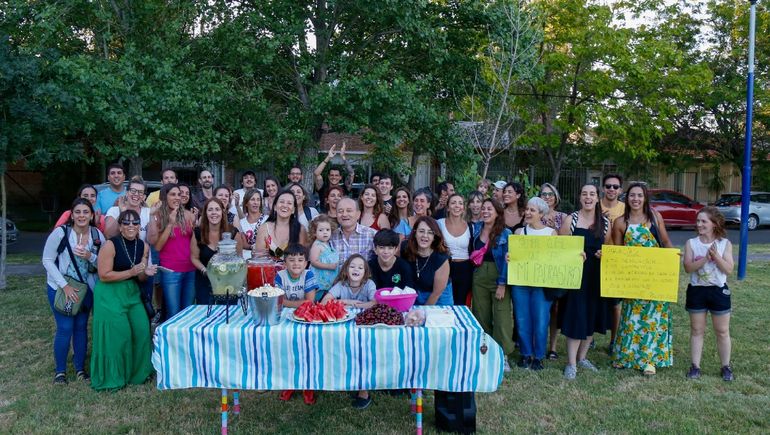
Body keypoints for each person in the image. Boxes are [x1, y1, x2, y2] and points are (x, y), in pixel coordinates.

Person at [611, 182, 674, 376]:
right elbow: (618, 252)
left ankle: (649, 360)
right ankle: (625, 357)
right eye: (632, 195)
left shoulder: (655, 217)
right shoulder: (620, 222)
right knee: (631, 317)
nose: (635, 199)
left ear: (645, 198)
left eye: (639, 195)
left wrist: (672, 259)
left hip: (655, 276)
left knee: (653, 318)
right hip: (634, 277)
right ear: (627, 198)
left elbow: (665, 241)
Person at [90, 209, 156, 390]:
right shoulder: (110, 245)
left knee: (142, 330)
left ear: (139, 226)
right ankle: (114, 377)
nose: (131, 226)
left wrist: (145, 272)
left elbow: (140, 277)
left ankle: (139, 374)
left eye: (135, 222)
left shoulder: (143, 246)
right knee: (119, 335)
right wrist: (131, 272)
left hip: (131, 292)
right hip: (109, 293)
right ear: (120, 227)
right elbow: (104, 275)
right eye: (126, 223)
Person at [42, 198, 105, 385]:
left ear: (91, 215)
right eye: (77, 212)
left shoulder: (97, 235)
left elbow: (104, 263)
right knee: (65, 328)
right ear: (72, 214)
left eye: (86, 212)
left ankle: (80, 369)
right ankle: (60, 372)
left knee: (81, 327)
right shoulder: (61, 233)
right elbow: (47, 260)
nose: (81, 216)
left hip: (86, 289)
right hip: (61, 288)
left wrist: (90, 255)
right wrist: (65, 286)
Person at [558, 184, 613, 380]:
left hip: (595, 276)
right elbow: (559, 248)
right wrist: (572, 254)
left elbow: (607, 247)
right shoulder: (570, 220)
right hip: (576, 277)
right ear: (580, 197)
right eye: (584, 194)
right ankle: (571, 363)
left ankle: (582, 358)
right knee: (576, 316)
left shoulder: (605, 223)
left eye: (592, 194)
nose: (588, 197)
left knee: (592, 315)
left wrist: (603, 253)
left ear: (597, 198)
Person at [683, 207, 734, 381]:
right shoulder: (691, 243)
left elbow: (729, 269)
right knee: (697, 330)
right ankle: (695, 366)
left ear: (714, 224)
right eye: (698, 221)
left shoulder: (724, 244)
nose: (699, 224)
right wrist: (705, 258)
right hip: (697, 291)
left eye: (704, 221)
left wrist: (716, 256)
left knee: (722, 331)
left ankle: (726, 366)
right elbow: (688, 267)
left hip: (718, 291)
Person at [322, 254, 377, 409]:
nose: (356, 270)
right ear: (346, 269)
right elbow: (324, 302)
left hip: (364, 325)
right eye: (352, 266)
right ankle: (342, 380)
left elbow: (374, 303)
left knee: (364, 352)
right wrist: (347, 301)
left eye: (360, 267)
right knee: (340, 351)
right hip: (342, 324)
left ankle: (364, 391)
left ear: (365, 272)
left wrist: (353, 305)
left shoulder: (369, 284)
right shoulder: (342, 284)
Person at [512, 197, 558, 371]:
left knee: (541, 320)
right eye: (527, 209)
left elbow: (558, 257)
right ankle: (525, 354)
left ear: (541, 214)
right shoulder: (519, 232)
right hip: (521, 283)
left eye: (533, 210)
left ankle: (538, 356)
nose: (528, 213)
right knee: (522, 319)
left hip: (542, 284)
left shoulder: (551, 233)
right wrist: (510, 257)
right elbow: (514, 256)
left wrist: (577, 257)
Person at [469, 199, 513, 371]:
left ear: (497, 212)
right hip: (479, 276)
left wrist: (502, 284)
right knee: (481, 314)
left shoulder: (506, 233)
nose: (485, 211)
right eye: (483, 208)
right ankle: (485, 350)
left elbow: (508, 261)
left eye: (490, 209)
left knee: (502, 316)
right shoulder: (476, 228)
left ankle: (503, 354)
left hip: (498, 276)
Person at [276, 243, 319, 405]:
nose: (296, 263)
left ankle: (308, 386)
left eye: (300, 260)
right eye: (291, 260)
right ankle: (290, 383)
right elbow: (277, 301)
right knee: (287, 351)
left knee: (308, 350)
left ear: (306, 263)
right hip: (285, 319)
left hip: (306, 318)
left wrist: (287, 302)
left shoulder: (308, 275)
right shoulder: (280, 276)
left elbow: (310, 302)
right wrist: (294, 303)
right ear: (284, 262)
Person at [147, 184, 196, 320]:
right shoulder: (158, 215)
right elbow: (157, 246)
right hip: (171, 271)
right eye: (173, 194)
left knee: (188, 312)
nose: (177, 198)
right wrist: (170, 223)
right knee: (173, 313)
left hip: (190, 269)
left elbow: (195, 242)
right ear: (165, 197)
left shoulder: (189, 215)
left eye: (179, 194)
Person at [190, 198, 244, 305]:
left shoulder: (233, 233)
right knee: (205, 312)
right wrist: (206, 271)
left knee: (227, 312)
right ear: (205, 213)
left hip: (228, 283)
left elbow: (239, 258)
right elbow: (194, 258)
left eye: (217, 209)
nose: (214, 213)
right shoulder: (198, 232)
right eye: (210, 210)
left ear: (222, 212)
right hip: (204, 281)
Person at [539, 182, 569, 361]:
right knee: (540, 307)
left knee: (555, 308)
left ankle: (553, 347)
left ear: (556, 197)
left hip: (557, 267)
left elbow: (566, 243)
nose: (547, 197)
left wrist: (555, 230)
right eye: (544, 194)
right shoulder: (533, 214)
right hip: (538, 267)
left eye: (550, 194)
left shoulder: (564, 217)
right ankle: (538, 344)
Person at [402, 216, 454, 305]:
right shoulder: (405, 248)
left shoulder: (441, 258)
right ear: (415, 233)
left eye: (430, 232)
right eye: (421, 231)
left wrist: (423, 310)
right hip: (415, 293)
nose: (425, 235)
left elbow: (436, 293)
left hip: (439, 297)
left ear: (434, 237)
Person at [601, 174, 625, 350]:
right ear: (603, 188)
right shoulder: (594, 205)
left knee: (615, 304)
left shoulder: (625, 209)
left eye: (615, 186)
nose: (611, 189)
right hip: (597, 257)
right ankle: (589, 338)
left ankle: (614, 341)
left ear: (620, 190)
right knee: (593, 302)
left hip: (617, 261)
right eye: (608, 186)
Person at [438, 194, 472, 306]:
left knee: (461, 303)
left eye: (460, 203)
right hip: (445, 266)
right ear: (448, 207)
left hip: (465, 269)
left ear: (463, 208)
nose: (457, 206)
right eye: (453, 203)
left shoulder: (470, 226)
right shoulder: (439, 223)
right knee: (445, 301)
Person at [254, 190, 308, 259]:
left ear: (293, 210)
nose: (285, 205)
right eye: (282, 202)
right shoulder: (264, 228)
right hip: (266, 265)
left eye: (289, 203)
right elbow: (258, 259)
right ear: (275, 207)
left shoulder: (300, 230)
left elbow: (302, 259)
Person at [330, 198, 376, 265]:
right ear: (336, 215)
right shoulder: (330, 236)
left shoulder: (372, 235)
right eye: (340, 211)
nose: (344, 214)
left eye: (349, 211)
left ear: (358, 214)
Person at [314, 143, 354, 211]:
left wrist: (343, 157)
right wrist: (328, 157)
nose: (334, 177)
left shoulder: (344, 188)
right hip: (325, 215)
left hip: (341, 216)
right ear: (328, 176)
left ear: (340, 177)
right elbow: (316, 174)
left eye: (336, 175)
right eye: (332, 175)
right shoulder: (323, 188)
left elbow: (351, 173)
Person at [308, 215, 339, 301]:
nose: (325, 232)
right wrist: (329, 266)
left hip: (328, 281)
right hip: (320, 281)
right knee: (318, 299)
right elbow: (314, 261)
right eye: (321, 230)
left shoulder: (328, 244)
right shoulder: (317, 245)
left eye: (327, 230)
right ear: (314, 232)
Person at [239, 189, 267, 255]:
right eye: (252, 199)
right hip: (247, 257)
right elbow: (244, 244)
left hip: (265, 256)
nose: (256, 202)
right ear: (246, 203)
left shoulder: (267, 219)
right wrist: (253, 247)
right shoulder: (241, 223)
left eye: (258, 200)